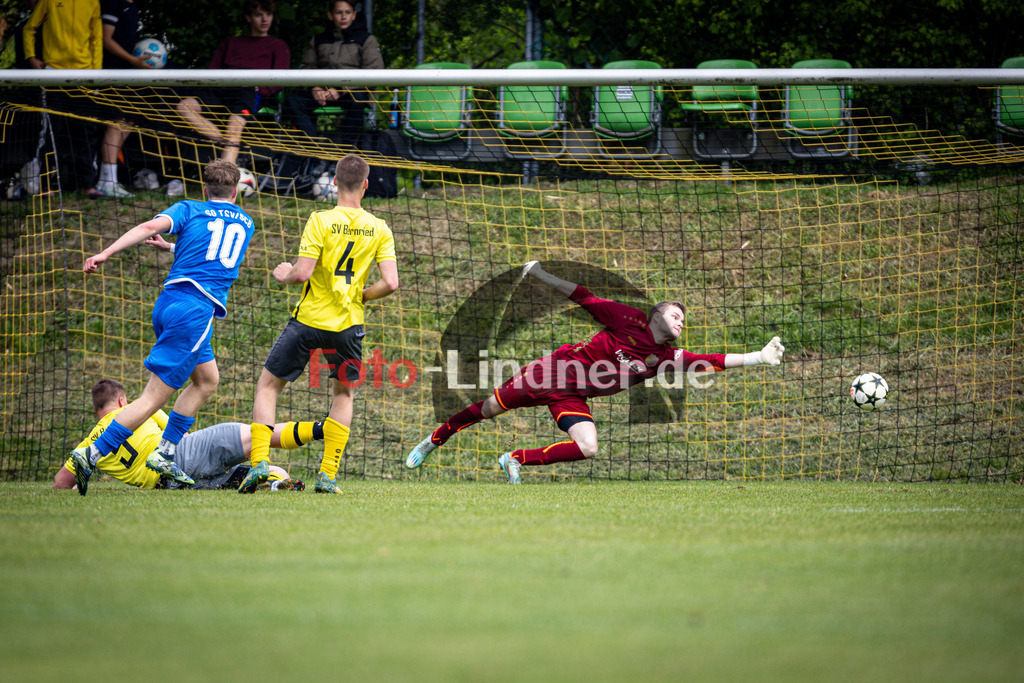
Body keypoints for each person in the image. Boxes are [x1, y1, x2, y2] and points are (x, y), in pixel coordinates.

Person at [406, 261, 786, 484]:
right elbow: (583, 295)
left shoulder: (664, 356)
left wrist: (758, 357)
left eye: (684, 319)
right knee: (487, 409)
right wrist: (540, 274)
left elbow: (714, 360)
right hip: (550, 373)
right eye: (675, 315)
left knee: (588, 447)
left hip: (573, 397)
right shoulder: (626, 319)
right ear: (656, 315)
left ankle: (516, 458)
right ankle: (435, 439)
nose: (681, 321)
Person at [70, 159, 256, 494]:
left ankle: (166, 452)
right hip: (196, 312)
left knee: (207, 380)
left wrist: (106, 252)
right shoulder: (246, 222)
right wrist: (173, 248)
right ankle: (91, 455)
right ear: (236, 192)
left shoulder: (189, 208)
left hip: (171, 303)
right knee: (152, 398)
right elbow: (217, 255)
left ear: (204, 188)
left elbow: (146, 228)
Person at [238, 154, 398, 494]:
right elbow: (391, 283)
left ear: (335, 182)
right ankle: (326, 476)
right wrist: (360, 296)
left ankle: (260, 465)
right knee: (343, 393)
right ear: (366, 185)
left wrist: (284, 275)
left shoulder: (320, 220)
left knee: (268, 387)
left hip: (309, 320)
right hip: (348, 326)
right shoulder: (379, 228)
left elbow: (302, 273)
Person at [55, 379, 317, 494]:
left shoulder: (89, 445)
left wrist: (74, 486)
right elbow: (179, 433)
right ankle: (319, 430)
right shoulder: (136, 410)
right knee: (255, 433)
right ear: (123, 401)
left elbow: (60, 482)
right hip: (183, 455)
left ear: (96, 410)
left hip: (171, 484)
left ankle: (274, 484)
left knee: (261, 473)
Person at [175, 0, 289, 166]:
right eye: (259, 15)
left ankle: (226, 181)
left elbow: (282, 79)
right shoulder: (230, 43)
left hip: (249, 93)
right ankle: (230, 142)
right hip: (220, 89)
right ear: (248, 18)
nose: (265, 19)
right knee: (184, 107)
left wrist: (263, 88)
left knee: (234, 126)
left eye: (269, 14)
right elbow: (211, 73)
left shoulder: (278, 46)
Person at [22, 0, 104, 192]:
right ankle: (44, 184)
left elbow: (97, 38)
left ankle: (88, 184)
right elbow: (29, 28)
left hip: (85, 76)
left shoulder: (93, 2)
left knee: (87, 131)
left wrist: (96, 74)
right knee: (52, 130)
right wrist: (31, 57)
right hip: (54, 74)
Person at [283, 0, 383, 144]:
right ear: (330, 15)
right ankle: (314, 146)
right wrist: (314, 88)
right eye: (338, 12)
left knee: (358, 101)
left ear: (354, 15)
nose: (343, 17)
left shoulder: (366, 39)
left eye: (347, 12)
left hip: (353, 93)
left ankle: (346, 152)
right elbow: (306, 67)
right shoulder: (318, 39)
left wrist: (341, 89)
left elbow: (374, 71)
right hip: (321, 93)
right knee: (293, 100)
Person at [83, 0, 153, 199]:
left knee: (128, 123)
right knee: (117, 124)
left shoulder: (134, 6)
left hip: (130, 75)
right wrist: (131, 60)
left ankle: (109, 180)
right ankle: (107, 182)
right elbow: (106, 38)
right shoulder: (113, 3)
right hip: (113, 73)